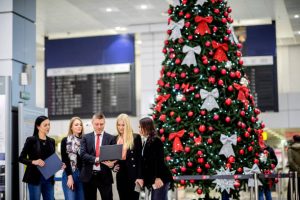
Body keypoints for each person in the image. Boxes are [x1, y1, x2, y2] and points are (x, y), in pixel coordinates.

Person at [19, 116, 56, 200]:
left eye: (49, 125)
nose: (48, 127)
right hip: (34, 178)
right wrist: (34, 161)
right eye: (45, 125)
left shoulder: (51, 141)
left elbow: (52, 159)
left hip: (48, 178)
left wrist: (60, 164)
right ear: (38, 126)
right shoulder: (31, 140)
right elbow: (21, 158)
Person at [79, 113, 116, 200]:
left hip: (105, 176)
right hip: (88, 176)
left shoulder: (111, 138)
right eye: (96, 124)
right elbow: (83, 154)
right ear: (92, 123)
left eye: (101, 124)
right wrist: (96, 159)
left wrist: (112, 165)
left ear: (104, 123)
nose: (99, 127)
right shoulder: (85, 138)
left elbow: (113, 157)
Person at [139, 117, 173, 200]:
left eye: (140, 127)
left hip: (160, 178)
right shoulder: (147, 141)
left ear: (146, 127)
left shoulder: (156, 141)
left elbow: (159, 160)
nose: (139, 129)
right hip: (154, 179)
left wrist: (158, 178)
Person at [114, 113, 143, 200]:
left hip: (133, 175)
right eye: (119, 125)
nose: (121, 127)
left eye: (123, 125)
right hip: (121, 174)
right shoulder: (115, 138)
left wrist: (140, 177)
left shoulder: (136, 137)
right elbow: (113, 158)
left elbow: (140, 159)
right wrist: (114, 167)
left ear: (127, 125)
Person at [61, 117, 85, 200]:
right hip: (69, 174)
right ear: (71, 127)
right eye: (76, 125)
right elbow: (65, 159)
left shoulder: (85, 140)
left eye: (80, 125)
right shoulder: (65, 140)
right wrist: (70, 177)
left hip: (82, 175)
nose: (79, 126)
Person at [287, 135, 300, 200]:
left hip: (293, 173)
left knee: (290, 193)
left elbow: (290, 161)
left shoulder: (290, 149)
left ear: (294, 140)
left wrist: (297, 169)